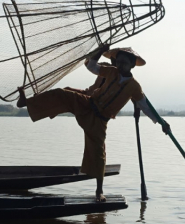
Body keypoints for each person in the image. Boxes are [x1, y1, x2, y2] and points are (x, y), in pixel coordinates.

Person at [17, 44, 169, 202]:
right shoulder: (111, 71)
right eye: (119, 61)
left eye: (125, 62)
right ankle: (26, 102)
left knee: (98, 154)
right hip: (88, 104)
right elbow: (91, 66)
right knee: (62, 94)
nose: (120, 65)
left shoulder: (134, 87)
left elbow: (145, 106)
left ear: (132, 65)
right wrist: (100, 51)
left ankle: (99, 191)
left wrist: (162, 122)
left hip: (100, 119)